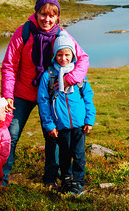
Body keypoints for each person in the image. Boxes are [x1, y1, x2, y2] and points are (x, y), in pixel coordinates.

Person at [1, 0, 89, 186]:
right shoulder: (23, 32)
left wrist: (70, 79)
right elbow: (9, 65)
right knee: (10, 135)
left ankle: (51, 178)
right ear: (36, 13)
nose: (47, 19)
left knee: (53, 136)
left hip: (51, 96)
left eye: (52, 15)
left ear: (58, 17)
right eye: (43, 14)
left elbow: (82, 58)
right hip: (22, 93)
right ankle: (1, 179)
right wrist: (8, 95)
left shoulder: (62, 35)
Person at [38, 31, 96, 195]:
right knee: (63, 156)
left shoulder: (79, 76)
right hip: (60, 125)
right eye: (60, 55)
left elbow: (88, 98)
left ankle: (78, 182)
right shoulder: (48, 76)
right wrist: (49, 124)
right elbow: (43, 102)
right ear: (55, 56)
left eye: (67, 54)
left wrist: (89, 120)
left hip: (79, 125)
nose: (63, 58)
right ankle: (66, 180)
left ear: (73, 55)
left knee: (78, 155)